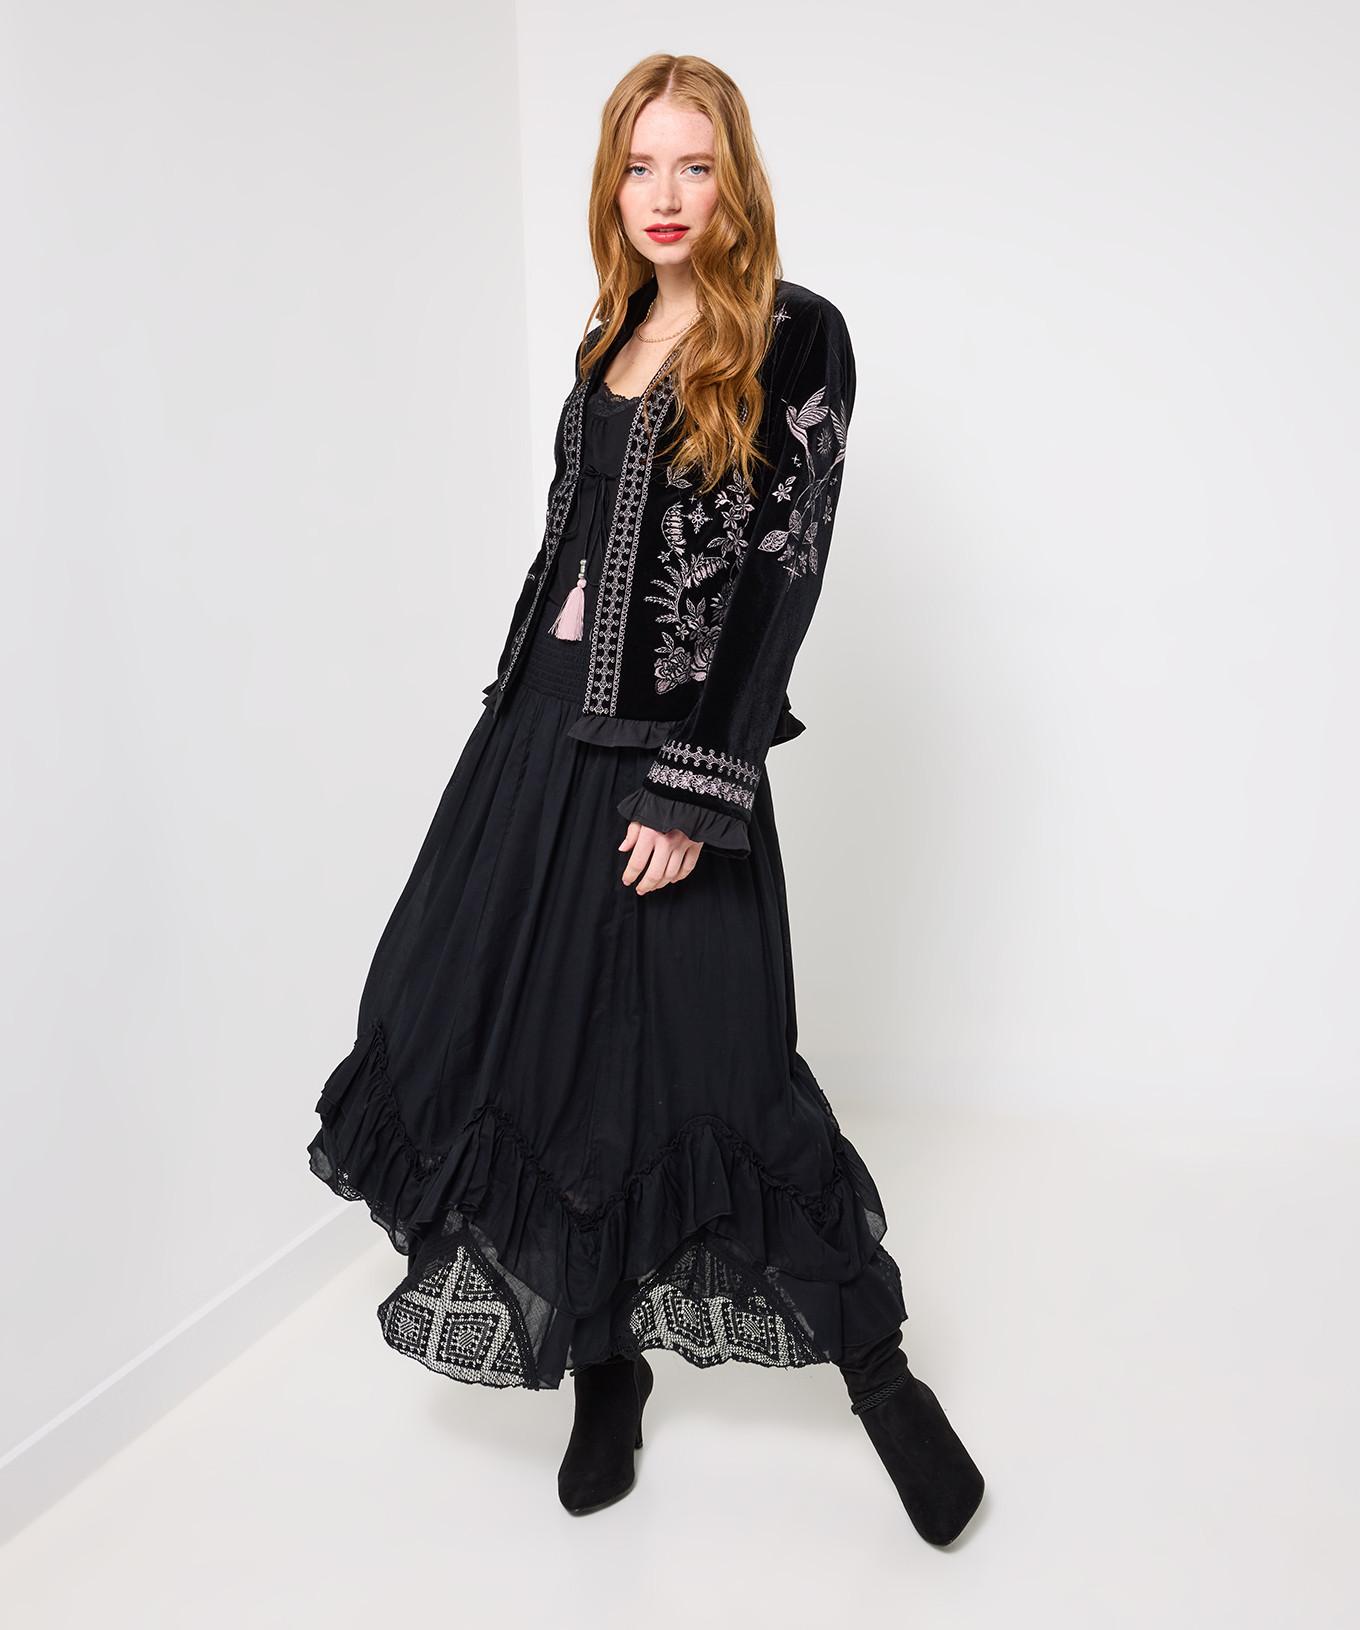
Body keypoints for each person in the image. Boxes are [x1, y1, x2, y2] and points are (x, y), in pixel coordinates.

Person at [306, 53, 984, 1546]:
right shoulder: (608, 333)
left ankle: (884, 1385)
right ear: (612, 183)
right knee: (530, 1056)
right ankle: (603, 1372)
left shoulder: (797, 335)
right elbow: (570, 552)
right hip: (537, 739)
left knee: (727, 1076)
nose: (664, 194)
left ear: (736, 179)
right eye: (638, 165)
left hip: (675, 754)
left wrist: (698, 787)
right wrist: (511, 708)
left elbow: (784, 573)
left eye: (694, 164)